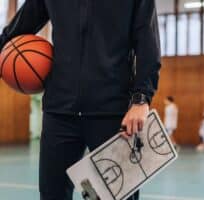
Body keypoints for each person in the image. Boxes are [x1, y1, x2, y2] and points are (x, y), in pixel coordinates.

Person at [0, 1, 161, 200]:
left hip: (114, 114)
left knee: (120, 197)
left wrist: (141, 98)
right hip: (59, 112)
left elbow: (148, 42)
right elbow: (15, 31)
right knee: (52, 195)